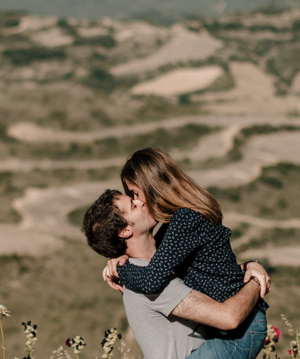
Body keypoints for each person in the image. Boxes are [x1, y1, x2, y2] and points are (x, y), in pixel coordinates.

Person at [105, 148, 269, 359]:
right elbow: (156, 261)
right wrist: (122, 258)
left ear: (153, 186)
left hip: (241, 329)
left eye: (135, 193)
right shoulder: (174, 224)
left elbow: (151, 280)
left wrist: (121, 269)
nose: (138, 201)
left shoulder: (184, 220)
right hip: (234, 328)